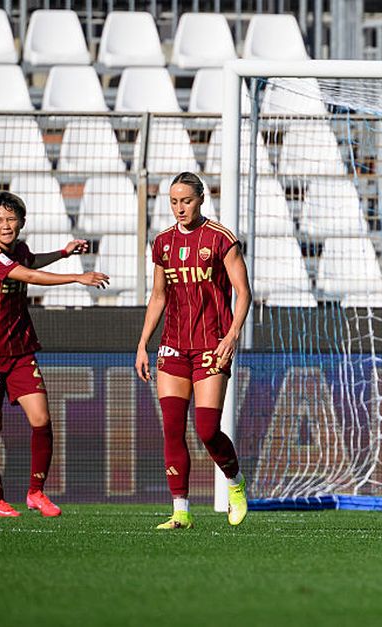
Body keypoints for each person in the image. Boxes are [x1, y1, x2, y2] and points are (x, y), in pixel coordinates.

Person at [0, 191, 109, 517]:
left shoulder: (18, 250)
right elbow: (27, 275)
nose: (5, 225)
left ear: (21, 222)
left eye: (11, 219)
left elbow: (30, 262)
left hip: (20, 351)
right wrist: (77, 276)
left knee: (41, 419)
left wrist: (63, 253)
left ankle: (36, 493)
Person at [135, 172, 252, 530]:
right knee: (172, 428)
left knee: (206, 428)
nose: (179, 208)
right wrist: (142, 344)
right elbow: (158, 296)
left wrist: (232, 335)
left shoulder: (221, 239)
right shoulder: (163, 243)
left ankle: (235, 483)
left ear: (201, 199)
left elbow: (243, 293)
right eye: (173, 201)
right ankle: (180, 511)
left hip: (210, 345)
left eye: (185, 200)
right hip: (173, 346)